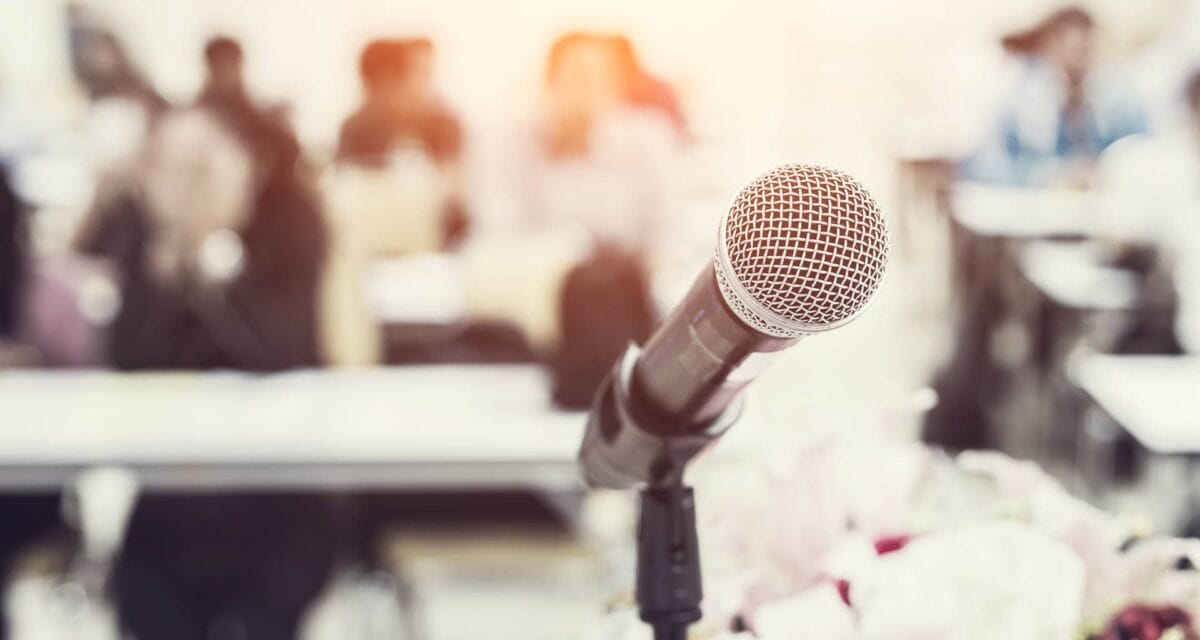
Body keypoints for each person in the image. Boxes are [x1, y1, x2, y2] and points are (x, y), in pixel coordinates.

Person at [961, 6, 1146, 187]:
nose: (1083, 60)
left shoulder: (1116, 99)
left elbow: (1141, 149)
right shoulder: (1016, 102)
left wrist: (1106, 173)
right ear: (1050, 46)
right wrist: (1045, 177)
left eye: (1088, 49)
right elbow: (987, 165)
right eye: (1076, 50)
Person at [337, 37, 467, 247]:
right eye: (420, 74)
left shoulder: (444, 124)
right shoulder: (356, 127)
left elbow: (454, 201)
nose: (427, 86)